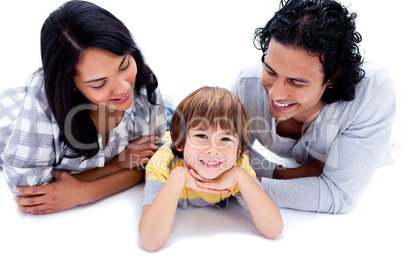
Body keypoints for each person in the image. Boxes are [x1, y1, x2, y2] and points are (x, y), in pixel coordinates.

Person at [0, 0, 167, 215]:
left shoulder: (142, 79)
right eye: (99, 83)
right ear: (71, 85)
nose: (123, 87)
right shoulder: (42, 99)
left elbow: (153, 162)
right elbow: (30, 193)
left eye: (124, 65)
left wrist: (84, 192)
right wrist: (116, 166)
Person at [230, 0, 396, 214]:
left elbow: (337, 194)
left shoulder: (372, 91)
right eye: (271, 71)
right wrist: (283, 174)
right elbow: (226, 151)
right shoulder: (248, 81)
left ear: (332, 77)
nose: (275, 93)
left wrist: (244, 186)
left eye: (296, 82)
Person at [138, 87, 283, 251]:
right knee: (165, 117)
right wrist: (178, 177)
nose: (213, 149)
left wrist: (240, 177)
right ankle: (167, 102)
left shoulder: (238, 167)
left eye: (225, 138)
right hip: (165, 133)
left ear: (238, 152)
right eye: (201, 136)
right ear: (180, 143)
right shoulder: (162, 166)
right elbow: (150, 241)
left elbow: (274, 229)